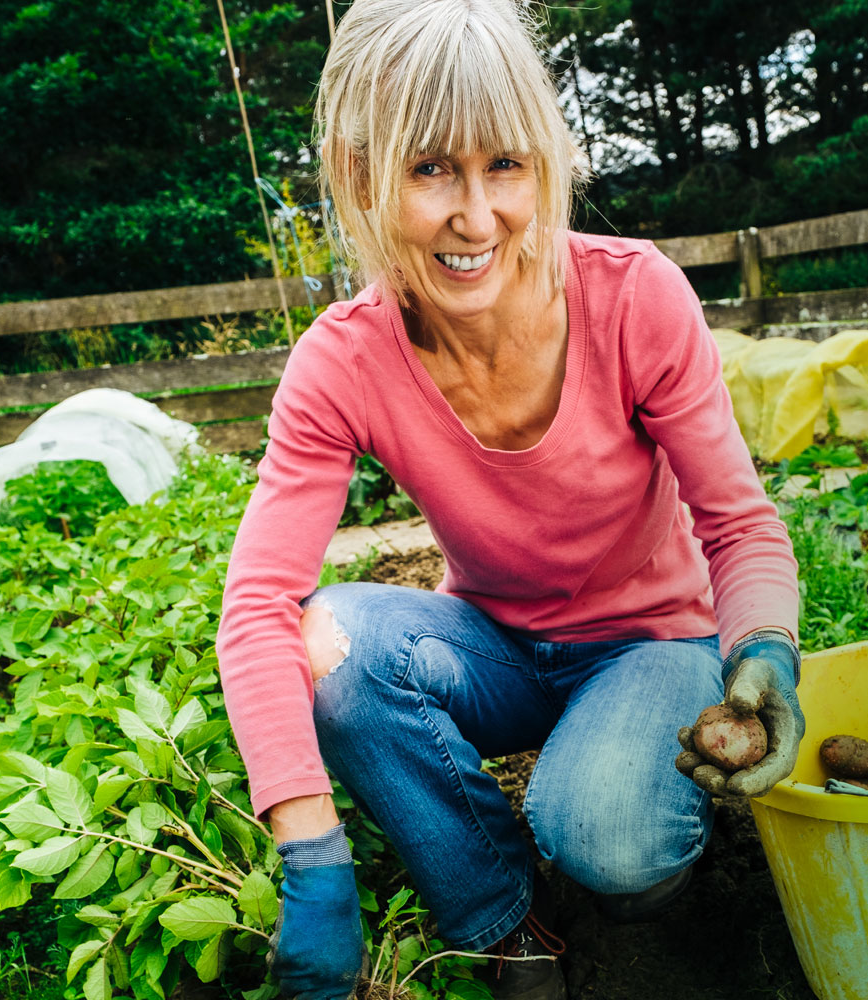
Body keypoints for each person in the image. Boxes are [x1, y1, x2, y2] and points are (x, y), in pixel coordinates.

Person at [215, 2, 805, 999]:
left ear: (542, 161)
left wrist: (763, 657)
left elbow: (737, 522)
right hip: (493, 646)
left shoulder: (633, 300)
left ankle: (641, 882)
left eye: (505, 165)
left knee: (610, 841)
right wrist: (309, 847)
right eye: (429, 168)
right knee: (329, 645)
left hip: (651, 643)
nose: (476, 218)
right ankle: (499, 908)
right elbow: (257, 605)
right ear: (360, 174)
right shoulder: (343, 361)